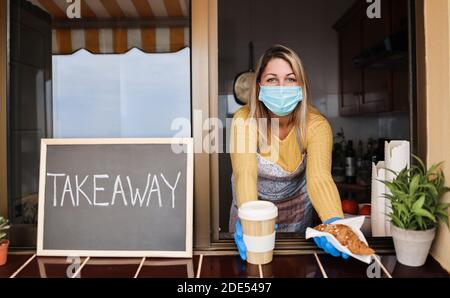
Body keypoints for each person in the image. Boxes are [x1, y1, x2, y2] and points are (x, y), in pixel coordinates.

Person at [229, 44, 348, 260]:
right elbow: (244, 173)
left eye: (290, 79)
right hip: (253, 210)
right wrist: (249, 220)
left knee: (293, 266)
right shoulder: (244, 120)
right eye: (272, 79)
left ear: (301, 86)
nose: (281, 87)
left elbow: (320, 178)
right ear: (259, 86)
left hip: (296, 213)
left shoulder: (316, 125)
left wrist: (333, 221)